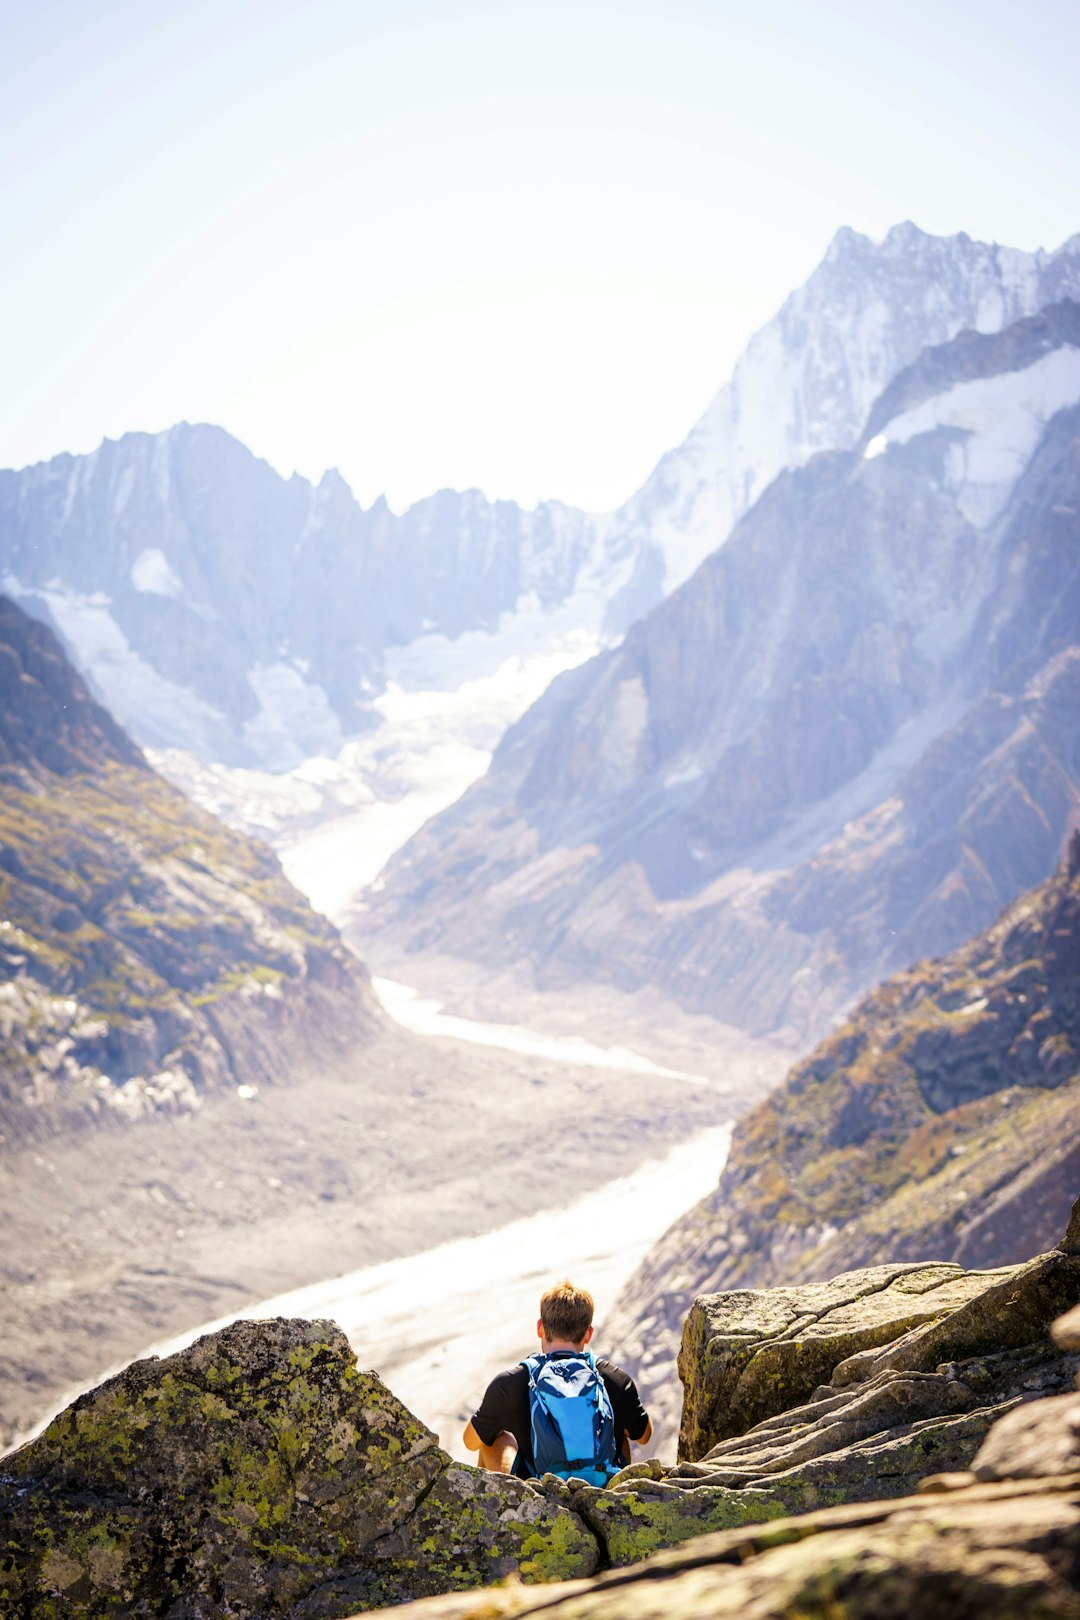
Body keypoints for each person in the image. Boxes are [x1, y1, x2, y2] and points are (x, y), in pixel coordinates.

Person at [463, 1280, 653, 1481]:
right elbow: (644, 1436)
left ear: (540, 1328)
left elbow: (470, 1442)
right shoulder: (614, 1378)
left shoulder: (510, 1382)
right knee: (620, 1432)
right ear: (588, 1334)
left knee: (490, 1439)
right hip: (601, 1485)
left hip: (539, 1490)